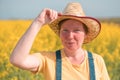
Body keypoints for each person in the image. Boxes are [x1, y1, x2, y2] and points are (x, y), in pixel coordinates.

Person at [10, 2, 110, 80]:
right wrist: (38, 23)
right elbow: (17, 60)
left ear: (85, 33)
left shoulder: (97, 61)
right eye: (65, 30)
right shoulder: (48, 59)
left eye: (76, 30)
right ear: (59, 33)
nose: (70, 36)